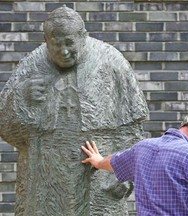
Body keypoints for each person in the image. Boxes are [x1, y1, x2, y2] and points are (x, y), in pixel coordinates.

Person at [0, 6, 148, 216]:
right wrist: (22, 96)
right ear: (46, 40)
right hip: (45, 178)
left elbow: (132, 129)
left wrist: (123, 174)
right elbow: (7, 129)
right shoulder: (32, 65)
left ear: (83, 37)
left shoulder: (112, 62)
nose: (64, 51)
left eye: (69, 43)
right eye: (56, 44)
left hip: (98, 178)